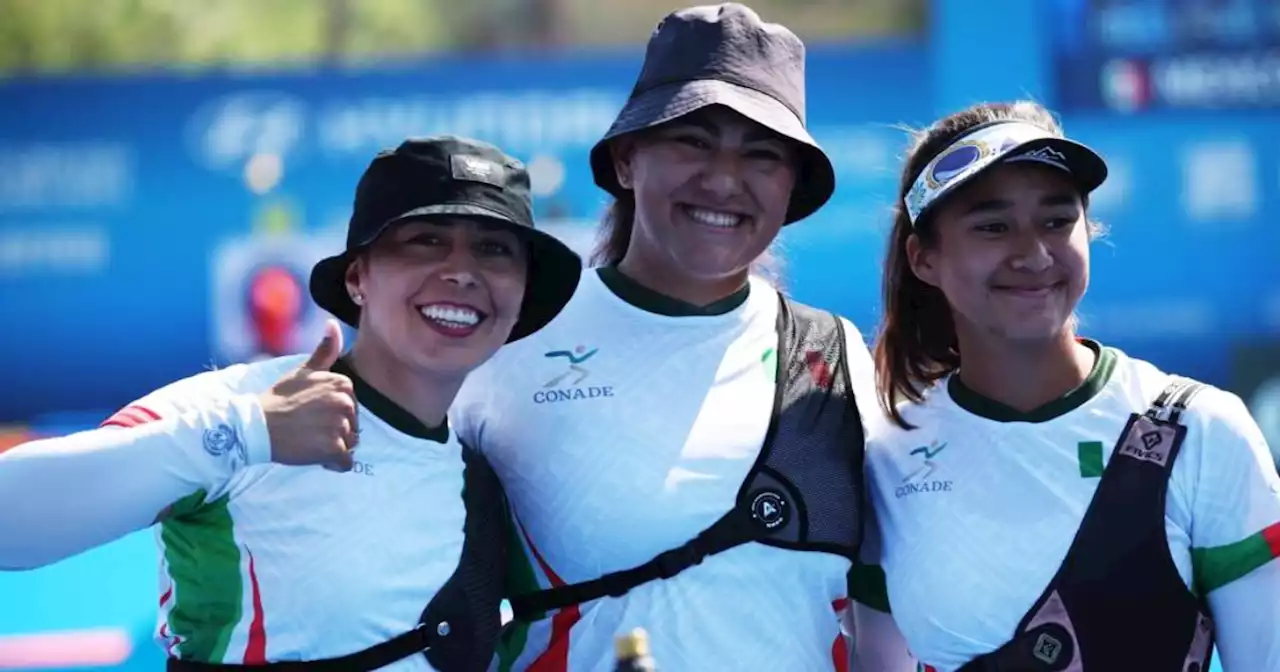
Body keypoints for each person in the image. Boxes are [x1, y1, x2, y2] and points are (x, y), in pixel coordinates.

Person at [0, 136, 583, 671]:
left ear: (522, 292)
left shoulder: (489, 474)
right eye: (426, 240)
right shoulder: (243, 406)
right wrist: (249, 432)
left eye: (494, 249)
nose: (461, 272)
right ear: (358, 277)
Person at [451, 4, 913, 670]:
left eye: (762, 156)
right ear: (627, 158)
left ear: (791, 190)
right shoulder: (512, 336)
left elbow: (883, 616)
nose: (724, 180)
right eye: (693, 142)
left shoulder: (831, 354)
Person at [856, 100, 1280, 671]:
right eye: (993, 226)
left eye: (1056, 221)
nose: (1033, 255)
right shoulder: (884, 456)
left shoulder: (1201, 431)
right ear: (923, 258)